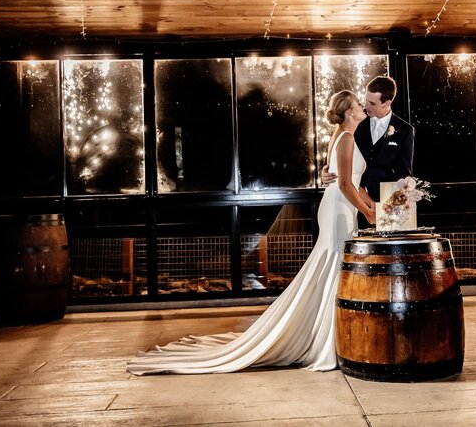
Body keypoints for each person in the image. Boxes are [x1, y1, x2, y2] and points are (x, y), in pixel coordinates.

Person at [127, 90, 375, 374]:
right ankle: (326, 339)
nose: (362, 109)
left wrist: (373, 205)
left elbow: (348, 181)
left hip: (343, 208)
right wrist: (368, 212)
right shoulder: (346, 138)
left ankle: (328, 333)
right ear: (348, 112)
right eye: (358, 105)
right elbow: (344, 184)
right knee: (334, 267)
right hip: (338, 209)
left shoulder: (342, 137)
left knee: (334, 268)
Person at [321, 77, 414, 225]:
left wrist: (394, 207)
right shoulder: (355, 119)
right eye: (365, 100)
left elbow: (404, 174)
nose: (366, 106)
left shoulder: (405, 130)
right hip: (353, 201)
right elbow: (338, 147)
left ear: (387, 103)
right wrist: (327, 171)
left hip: (384, 207)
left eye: (372, 103)